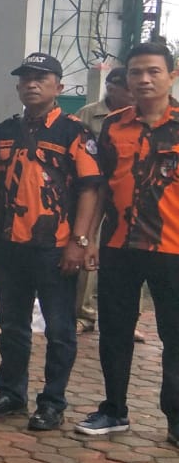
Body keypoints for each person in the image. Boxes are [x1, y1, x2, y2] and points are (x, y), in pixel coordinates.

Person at [0, 53, 101, 430]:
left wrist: (79, 241)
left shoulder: (74, 132)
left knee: (60, 329)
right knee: (11, 324)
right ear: (17, 86)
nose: (31, 84)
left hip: (55, 248)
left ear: (58, 87)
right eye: (26, 78)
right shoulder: (4, 131)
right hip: (10, 245)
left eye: (41, 78)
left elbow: (90, 190)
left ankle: (52, 402)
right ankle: (11, 393)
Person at [78, 41, 179, 441]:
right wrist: (87, 238)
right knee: (115, 330)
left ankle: (175, 418)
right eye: (136, 72)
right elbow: (100, 188)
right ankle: (114, 409)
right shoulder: (114, 126)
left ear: (171, 76)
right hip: (119, 245)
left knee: (175, 336)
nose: (143, 79)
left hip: (172, 249)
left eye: (153, 71)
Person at [74, 67, 132, 335]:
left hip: (127, 196)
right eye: (127, 89)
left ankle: (128, 320)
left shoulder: (138, 117)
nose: (132, 94)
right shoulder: (88, 114)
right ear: (112, 88)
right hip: (94, 191)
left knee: (128, 257)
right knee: (88, 247)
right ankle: (83, 313)